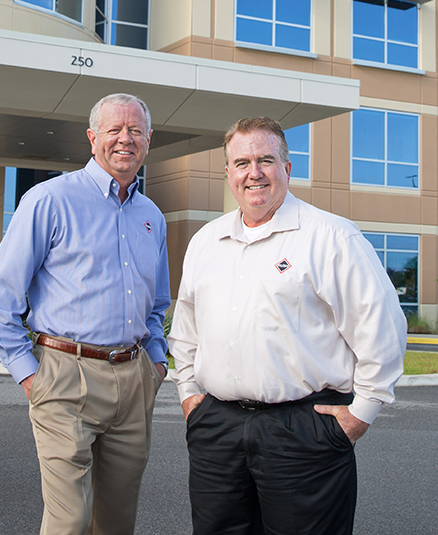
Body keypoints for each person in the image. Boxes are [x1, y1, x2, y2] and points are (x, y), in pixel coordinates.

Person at [168, 116, 407, 535]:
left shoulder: (332, 238)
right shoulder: (206, 241)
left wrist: (359, 415)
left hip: (303, 432)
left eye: (265, 160)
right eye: (241, 163)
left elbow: (382, 329)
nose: (253, 173)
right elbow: (186, 327)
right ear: (228, 172)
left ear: (287, 168)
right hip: (216, 428)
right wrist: (189, 395)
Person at [0, 92, 170, 535]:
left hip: (134, 377)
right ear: (92, 138)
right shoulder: (49, 200)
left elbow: (157, 304)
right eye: (114, 130)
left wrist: (156, 364)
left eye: (136, 131)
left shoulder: (151, 216)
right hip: (65, 375)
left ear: (148, 140)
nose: (125, 139)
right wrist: (30, 374)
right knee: (69, 520)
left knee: (117, 521)